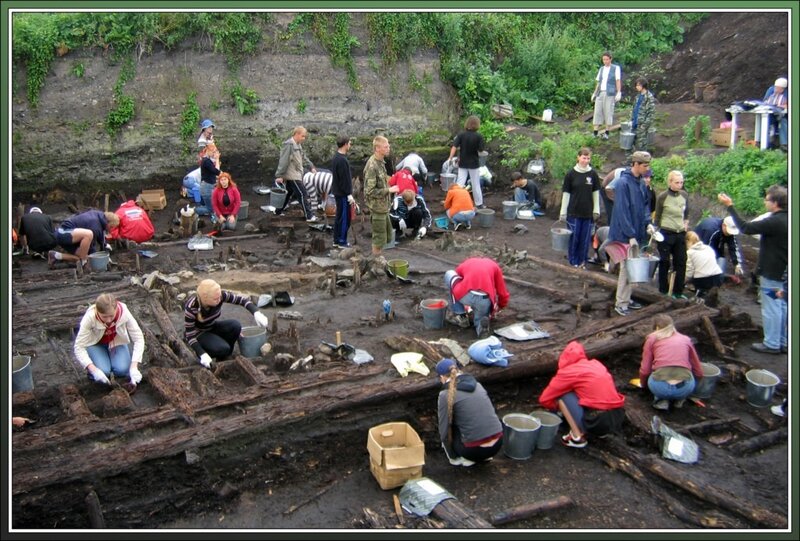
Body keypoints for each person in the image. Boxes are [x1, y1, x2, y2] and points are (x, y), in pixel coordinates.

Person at [719, 185, 787, 354]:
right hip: (783, 270)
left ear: (775, 203)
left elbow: (745, 228)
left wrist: (730, 206)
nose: (765, 202)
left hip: (772, 271)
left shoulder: (775, 221)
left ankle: (771, 343)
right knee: (782, 305)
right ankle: (783, 341)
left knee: (771, 306)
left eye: (767, 199)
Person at [538, 341, 625, 448]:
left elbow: (544, 399)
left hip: (598, 420)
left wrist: (556, 409)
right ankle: (602, 432)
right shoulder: (595, 364)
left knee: (563, 396)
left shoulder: (568, 372)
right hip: (618, 416)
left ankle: (577, 437)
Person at [183, 279, 269, 367]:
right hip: (199, 334)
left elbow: (241, 300)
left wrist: (256, 313)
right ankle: (208, 354)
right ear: (205, 298)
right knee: (222, 348)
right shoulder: (192, 307)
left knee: (235, 326)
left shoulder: (220, 296)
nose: (219, 299)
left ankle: (225, 355)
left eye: (219, 297)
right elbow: (190, 336)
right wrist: (202, 354)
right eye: (215, 299)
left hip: (211, 327)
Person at [607, 151, 652, 316]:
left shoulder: (640, 182)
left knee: (635, 267)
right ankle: (621, 303)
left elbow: (645, 205)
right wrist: (630, 234)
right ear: (636, 164)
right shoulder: (623, 183)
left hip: (638, 231)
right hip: (625, 234)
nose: (647, 169)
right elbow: (622, 211)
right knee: (626, 268)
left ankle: (628, 298)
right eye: (645, 166)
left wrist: (648, 224)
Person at [435, 358, 503, 467]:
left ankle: (464, 458)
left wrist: (453, 457)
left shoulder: (445, 394)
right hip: (498, 445)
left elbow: (444, 429)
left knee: (452, 425)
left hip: (473, 451)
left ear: (442, 377)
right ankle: (484, 457)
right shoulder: (478, 385)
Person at [74, 293, 145, 387]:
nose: (108, 320)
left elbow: (138, 338)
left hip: (116, 342)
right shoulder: (90, 318)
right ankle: (96, 371)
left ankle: (113, 364)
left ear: (116, 309)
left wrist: (134, 367)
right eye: (104, 317)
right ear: (97, 311)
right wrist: (93, 370)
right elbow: (78, 347)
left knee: (123, 369)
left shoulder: (124, 312)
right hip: (96, 344)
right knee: (103, 371)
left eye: (111, 316)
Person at [639, 314, 704, 410]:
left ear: (657, 327)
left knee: (655, 374)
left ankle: (661, 400)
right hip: (684, 388)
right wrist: (694, 386)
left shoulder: (652, 339)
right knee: (687, 375)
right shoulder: (685, 339)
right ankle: (680, 399)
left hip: (660, 388)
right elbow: (698, 370)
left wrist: (643, 385)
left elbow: (645, 370)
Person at [444, 256, 509, 338]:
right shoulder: (495, 266)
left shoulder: (468, 262)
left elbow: (457, 276)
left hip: (465, 295)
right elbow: (502, 293)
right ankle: (481, 328)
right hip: (484, 300)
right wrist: (500, 306)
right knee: (480, 319)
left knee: (449, 274)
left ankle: (460, 316)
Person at [559, 147, 601, 268]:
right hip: (573, 212)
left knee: (585, 239)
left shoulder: (592, 174)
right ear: (578, 157)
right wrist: (563, 212)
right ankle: (573, 262)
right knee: (574, 238)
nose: (586, 160)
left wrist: (596, 210)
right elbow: (566, 194)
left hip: (588, 213)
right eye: (584, 158)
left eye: (588, 158)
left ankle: (583, 262)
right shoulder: (570, 174)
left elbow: (596, 193)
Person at [652, 170, 690, 298]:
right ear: (670, 182)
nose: (679, 185)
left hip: (679, 233)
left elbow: (686, 213)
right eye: (677, 182)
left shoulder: (684, 195)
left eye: (681, 182)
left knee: (681, 261)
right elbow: (657, 216)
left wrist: (685, 224)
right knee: (665, 261)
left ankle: (678, 291)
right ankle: (663, 289)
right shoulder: (663, 197)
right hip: (666, 232)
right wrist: (655, 232)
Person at [364, 135, 400, 258]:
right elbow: (370, 191)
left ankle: (378, 258)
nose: (388, 148)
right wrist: (389, 190)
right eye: (386, 146)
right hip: (376, 207)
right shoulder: (372, 165)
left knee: (387, 236)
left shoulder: (381, 162)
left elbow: (382, 181)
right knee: (379, 238)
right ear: (378, 148)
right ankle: (376, 261)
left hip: (384, 206)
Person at [50, 209, 119, 270]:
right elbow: (91, 246)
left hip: (72, 236)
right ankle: (83, 262)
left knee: (81, 257)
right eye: (111, 227)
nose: (111, 229)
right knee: (88, 235)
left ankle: (56, 255)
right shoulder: (95, 225)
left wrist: (106, 255)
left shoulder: (99, 217)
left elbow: (101, 237)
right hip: (63, 233)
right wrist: (92, 257)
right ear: (108, 223)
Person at [275, 126, 319, 223]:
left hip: (296, 173)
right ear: (297, 134)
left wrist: (311, 166)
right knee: (303, 194)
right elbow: (283, 161)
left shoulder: (297, 145)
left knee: (288, 193)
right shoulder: (289, 145)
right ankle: (309, 216)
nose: (304, 138)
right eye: (303, 136)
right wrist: (279, 175)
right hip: (292, 175)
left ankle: (278, 211)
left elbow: (303, 157)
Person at [447, 115, 487, 208]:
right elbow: (481, 150)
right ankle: (479, 204)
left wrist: (450, 157)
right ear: (477, 125)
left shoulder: (461, 134)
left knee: (460, 183)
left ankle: (455, 201)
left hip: (463, 162)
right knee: (475, 183)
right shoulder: (479, 136)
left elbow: (454, 146)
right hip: (474, 163)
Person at [694, 215, 744, 283]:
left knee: (720, 260)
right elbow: (706, 250)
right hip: (699, 246)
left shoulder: (728, 232)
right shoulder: (711, 230)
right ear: (723, 225)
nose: (730, 234)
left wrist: (737, 264)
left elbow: (733, 247)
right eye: (729, 232)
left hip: (715, 244)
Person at [590, 51, 622, 140]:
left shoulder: (616, 68)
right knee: (597, 111)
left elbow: (617, 80)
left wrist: (619, 92)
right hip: (600, 92)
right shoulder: (601, 69)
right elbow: (598, 82)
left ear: (610, 59)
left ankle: (607, 132)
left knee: (608, 112)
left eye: (607, 59)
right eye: (604, 59)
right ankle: (595, 132)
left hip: (610, 93)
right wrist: (594, 93)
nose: (605, 61)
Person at [684, 231, 724, 301]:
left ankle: (700, 292)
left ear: (687, 241)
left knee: (700, 293)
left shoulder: (689, 252)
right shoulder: (708, 248)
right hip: (718, 277)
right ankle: (711, 293)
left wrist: (683, 282)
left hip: (703, 280)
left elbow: (689, 273)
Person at [330, 135, 354, 248]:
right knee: (344, 218)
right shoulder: (342, 160)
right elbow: (344, 179)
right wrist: (349, 194)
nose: (350, 145)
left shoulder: (336, 157)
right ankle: (342, 241)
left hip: (338, 192)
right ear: (345, 144)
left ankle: (336, 239)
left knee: (339, 216)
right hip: (343, 194)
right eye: (349, 143)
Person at [762, 77, 787, 150]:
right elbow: (765, 102)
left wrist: (779, 106)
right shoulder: (771, 92)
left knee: (783, 121)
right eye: (776, 87)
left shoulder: (786, 94)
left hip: (781, 114)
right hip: (769, 113)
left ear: (783, 89)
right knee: (764, 120)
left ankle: (784, 144)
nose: (777, 89)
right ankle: (762, 142)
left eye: (779, 88)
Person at [631, 77, 656, 152]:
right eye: (636, 85)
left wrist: (644, 125)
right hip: (634, 122)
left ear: (643, 85)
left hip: (642, 125)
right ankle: (630, 160)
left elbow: (651, 113)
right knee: (630, 143)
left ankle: (642, 162)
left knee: (642, 145)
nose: (637, 87)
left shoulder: (649, 97)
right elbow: (634, 108)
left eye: (638, 85)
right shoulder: (638, 96)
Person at [199, 143, 222, 222]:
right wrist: (217, 159)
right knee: (210, 208)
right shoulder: (206, 161)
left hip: (208, 186)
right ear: (208, 151)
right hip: (207, 187)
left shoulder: (207, 161)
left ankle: (214, 219)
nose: (214, 153)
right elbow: (216, 171)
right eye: (213, 151)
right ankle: (193, 211)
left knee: (211, 206)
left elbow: (215, 172)